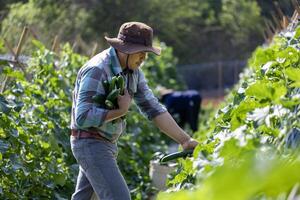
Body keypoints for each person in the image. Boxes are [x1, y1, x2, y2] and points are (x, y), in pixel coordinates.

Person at [70, 21, 198, 200]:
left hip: (106, 143)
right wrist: (120, 110)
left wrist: (185, 140)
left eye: (146, 53)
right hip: (90, 144)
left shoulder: (133, 72)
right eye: (141, 52)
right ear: (125, 49)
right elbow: (82, 117)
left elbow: (152, 107)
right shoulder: (98, 69)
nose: (144, 58)